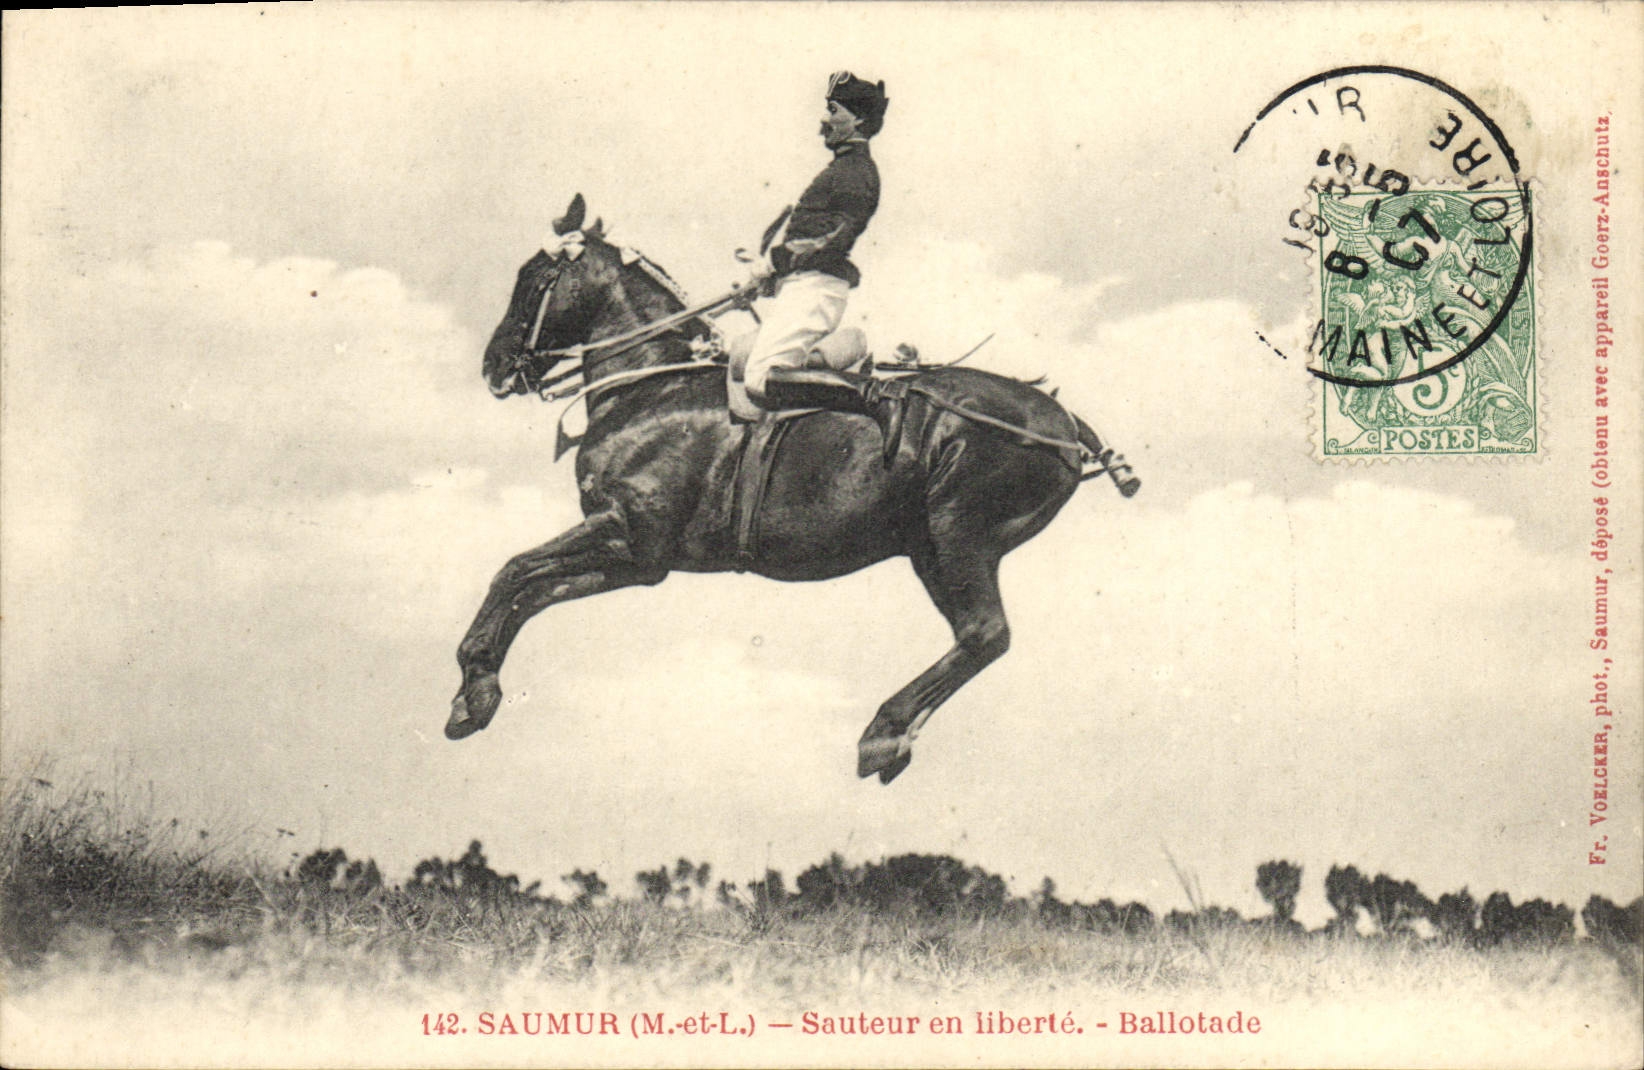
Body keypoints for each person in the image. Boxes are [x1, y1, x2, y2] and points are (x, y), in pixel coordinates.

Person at [744, 72, 902, 450]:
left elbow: (834, 238)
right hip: (805, 286)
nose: (823, 121)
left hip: (815, 288)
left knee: (759, 376)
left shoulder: (855, 172)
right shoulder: (844, 168)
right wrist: (773, 277)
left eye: (833, 110)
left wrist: (774, 263)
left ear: (858, 120)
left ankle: (872, 399)